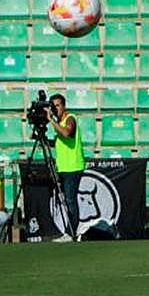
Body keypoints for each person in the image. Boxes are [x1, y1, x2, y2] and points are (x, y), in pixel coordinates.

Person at [46, 93, 84, 242]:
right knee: (67, 201)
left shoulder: (70, 118)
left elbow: (67, 133)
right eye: (53, 106)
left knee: (70, 200)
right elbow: (59, 142)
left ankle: (72, 232)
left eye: (58, 105)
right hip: (63, 167)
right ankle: (69, 231)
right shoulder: (59, 123)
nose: (55, 109)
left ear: (64, 106)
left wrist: (51, 120)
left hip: (73, 167)